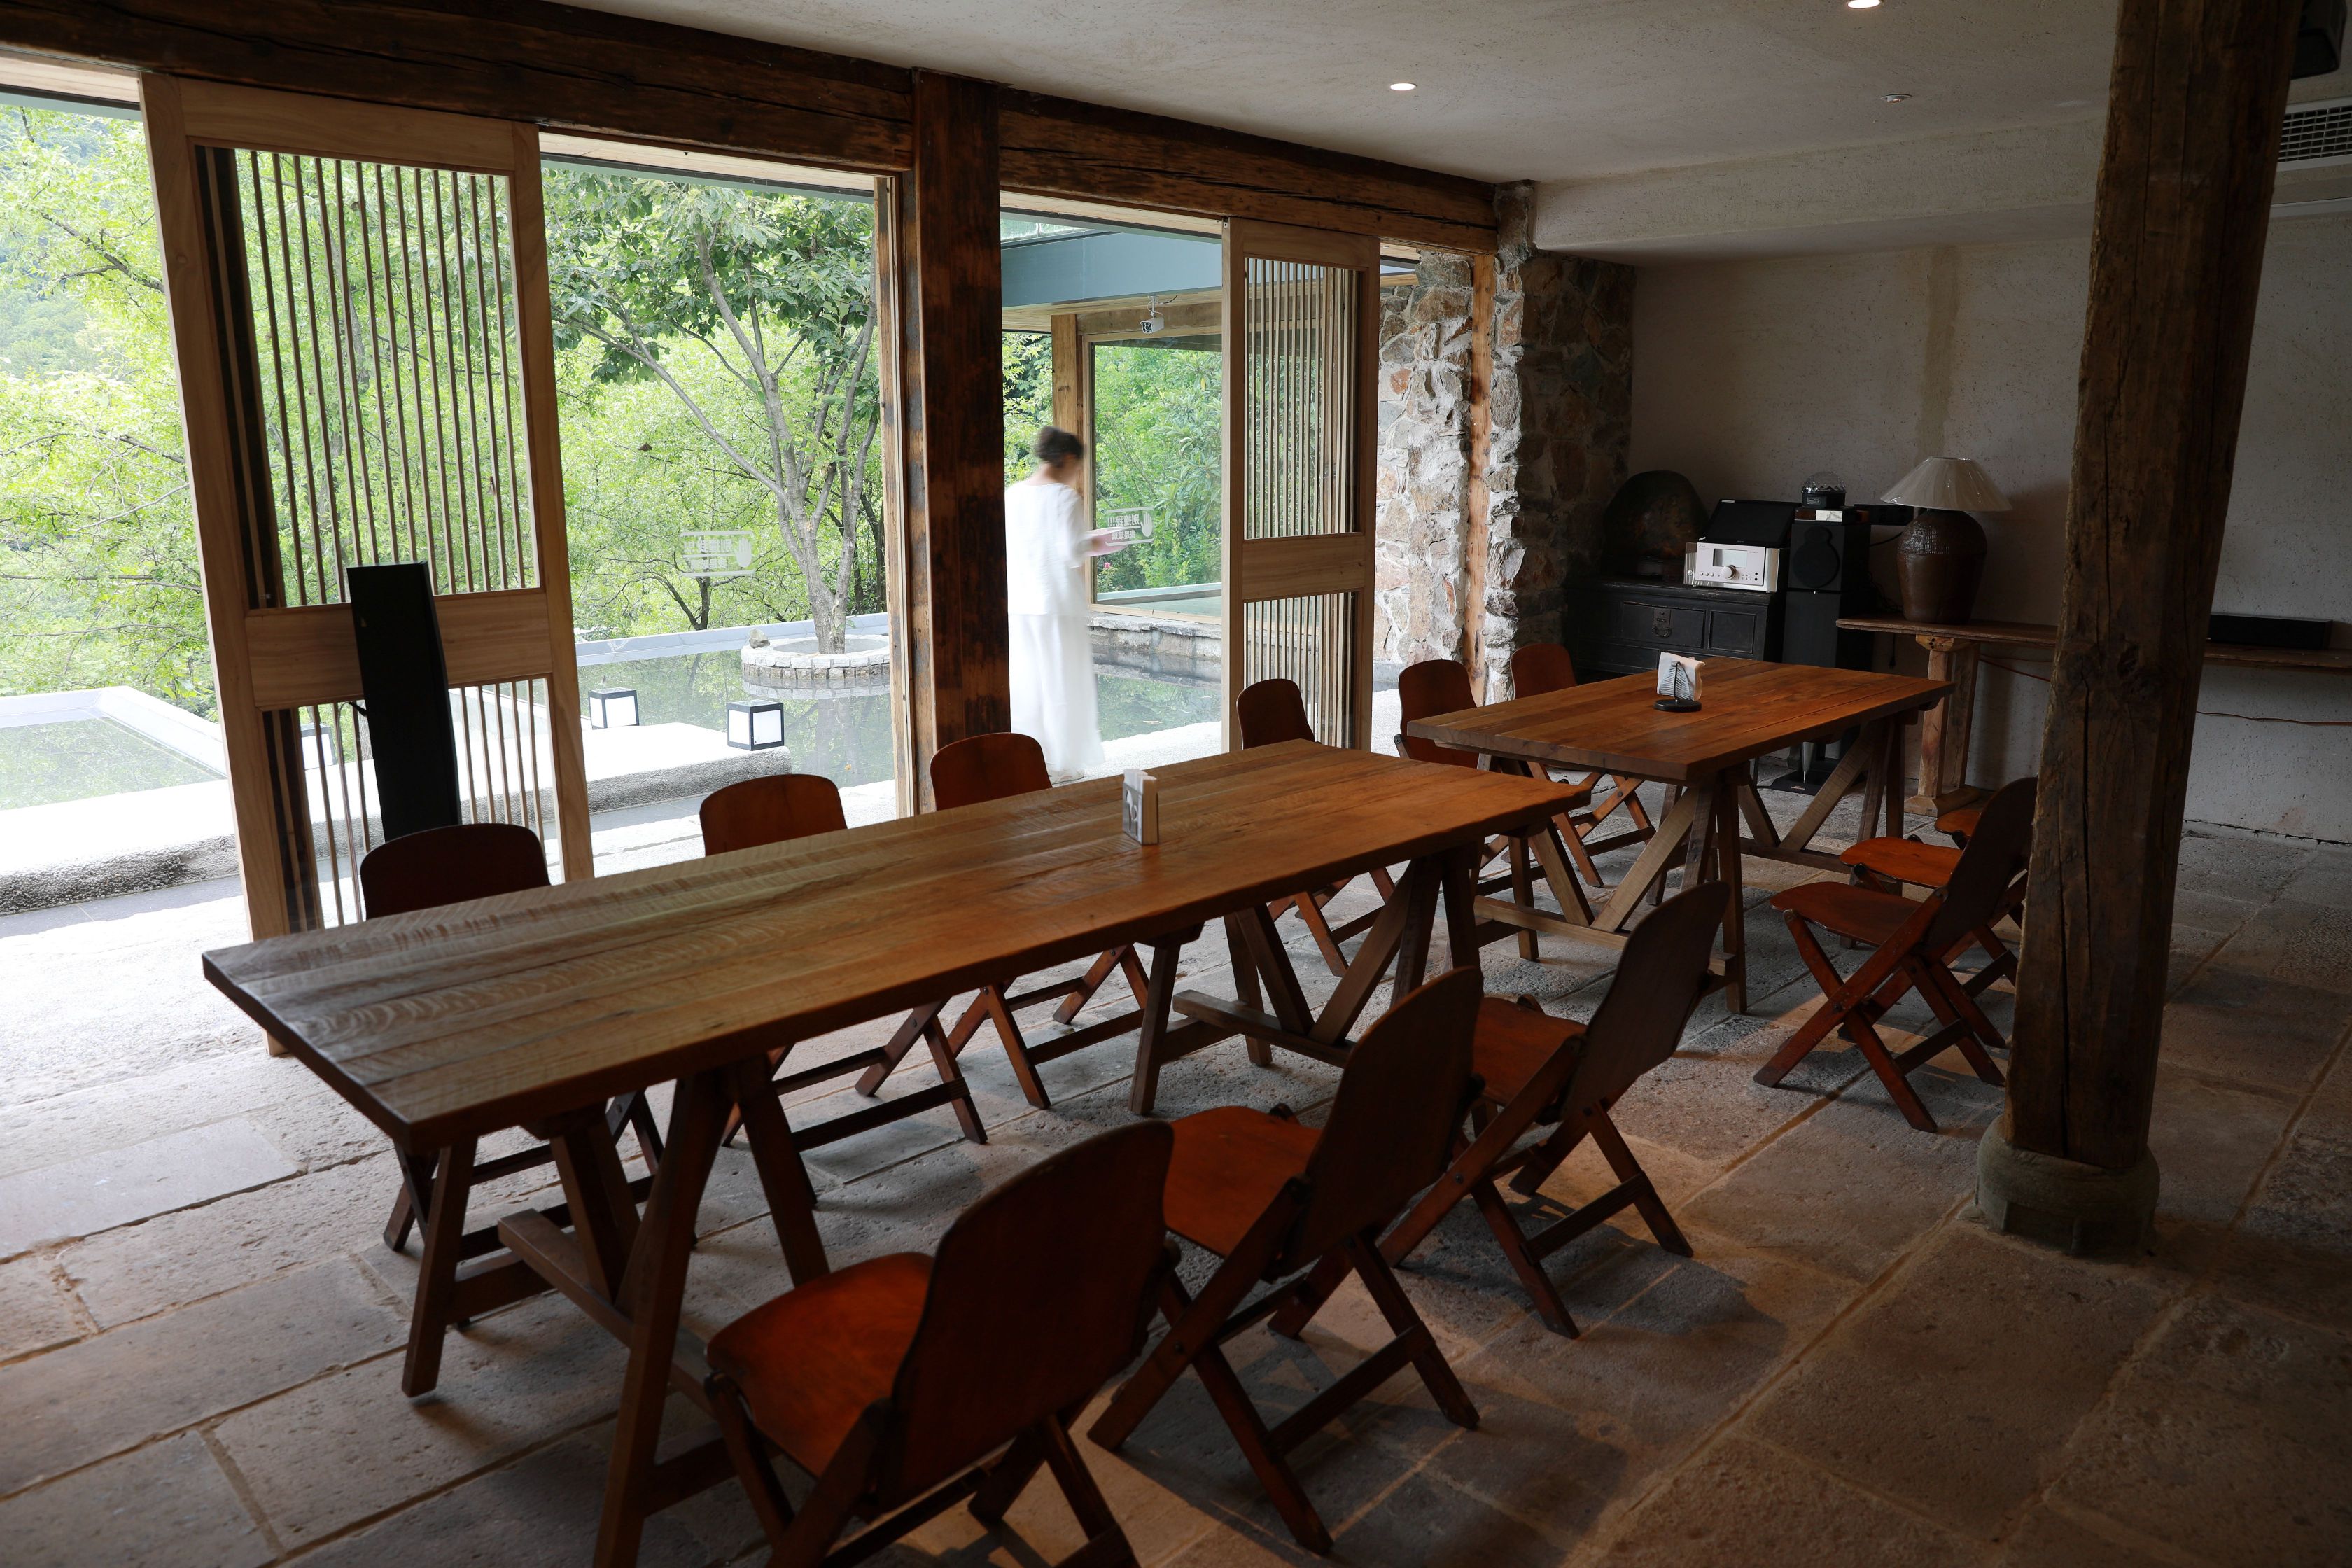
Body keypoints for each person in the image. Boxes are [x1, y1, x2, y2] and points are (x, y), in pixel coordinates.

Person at [1007, 426, 1123, 780]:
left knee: (1028, 685)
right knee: (1062, 683)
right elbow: (1071, 552)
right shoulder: (1064, 498)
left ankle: (1030, 761)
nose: (1078, 473)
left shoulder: (1013, 495)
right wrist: (1098, 541)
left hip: (1020, 602)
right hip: (1055, 602)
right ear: (1069, 459)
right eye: (1078, 466)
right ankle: (1062, 764)